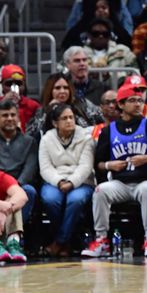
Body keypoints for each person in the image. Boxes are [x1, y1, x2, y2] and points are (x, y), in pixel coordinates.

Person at [83, 84, 147, 258]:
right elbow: (98, 164)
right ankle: (102, 240)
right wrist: (109, 166)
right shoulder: (108, 131)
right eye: (132, 101)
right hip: (120, 183)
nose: (138, 105)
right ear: (121, 104)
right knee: (100, 191)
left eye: (140, 101)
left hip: (145, 181)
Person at [38, 103, 95, 257]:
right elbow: (45, 168)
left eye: (71, 117)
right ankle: (67, 242)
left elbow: (86, 166)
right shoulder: (47, 139)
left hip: (82, 181)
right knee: (50, 199)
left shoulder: (85, 137)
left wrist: (71, 183)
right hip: (55, 180)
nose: (69, 121)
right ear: (55, 123)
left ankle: (60, 242)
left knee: (75, 200)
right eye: (64, 118)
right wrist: (59, 182)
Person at [0, 100, 39, 225]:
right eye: (5, 115)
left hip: (19, 185)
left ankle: (15, 234)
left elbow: (29, 170)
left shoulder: (29, 141)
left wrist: (13, 189)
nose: (10, 118)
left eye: (13, 115)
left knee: (29, 191)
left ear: (18, 118)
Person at [0, 137, 28, 263]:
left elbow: (22, 195)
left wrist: (4, 211)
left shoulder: (0, 176)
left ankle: (13, 244)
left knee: (13, 201)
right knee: (6, 203)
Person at [25, 72, 102, 138]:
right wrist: (48, 111)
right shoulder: (42, 111)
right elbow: (31, 135)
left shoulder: (81, 104)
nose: (62, 91)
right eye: (57, 88)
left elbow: (102, 116)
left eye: (66, 88)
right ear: (50, 91)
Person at [0, 65, 42, 133]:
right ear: (2, 85)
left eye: (18, 83)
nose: (13, 87)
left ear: (24, 86)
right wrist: (0, 105)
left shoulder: (33, 106)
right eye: (9, 84)